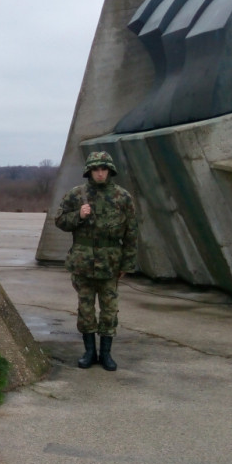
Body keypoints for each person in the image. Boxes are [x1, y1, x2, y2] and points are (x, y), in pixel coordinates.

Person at [54, 151, 137, 372]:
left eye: (103, 169)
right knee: (86, 310)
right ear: (89, 171)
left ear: (110, 170)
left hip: (110, 263)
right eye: (95, 169)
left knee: (109, 310)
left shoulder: (123, 197)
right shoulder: (77, 195)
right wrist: (78, 216)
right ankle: (90, 352)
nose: (100, 173)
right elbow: (60, 221)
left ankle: (106, 353)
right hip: (83, 263)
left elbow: (131, 233)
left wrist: (127, 264)